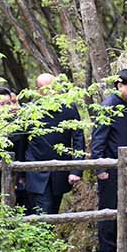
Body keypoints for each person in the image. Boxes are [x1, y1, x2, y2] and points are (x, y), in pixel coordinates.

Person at [91, 69, 127, 252]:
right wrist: (100, 168)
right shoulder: (108, 107)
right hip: (111, 169)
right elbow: (98, 140)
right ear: (119, 86)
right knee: (109, 214)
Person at [24, 73, 84, 214]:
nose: (49, 92)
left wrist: (76, 169)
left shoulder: (68, 107)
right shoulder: (30, 110)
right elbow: (22, 141)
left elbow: (78, 139)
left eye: (52, 88)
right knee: (43, 209)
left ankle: (44, 235)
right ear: (37, 90)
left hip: (60, 169)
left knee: (53, 210)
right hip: (35, 169)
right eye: (44, 88)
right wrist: (19, 172)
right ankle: (41, 236)